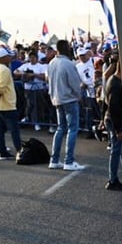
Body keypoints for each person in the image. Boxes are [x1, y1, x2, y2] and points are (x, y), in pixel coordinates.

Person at [47, 39, 86, 171]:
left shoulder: (52, 63)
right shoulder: (68, 64)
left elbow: (49, 82)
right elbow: (75, 84)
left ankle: (54, 159)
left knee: (60, 128)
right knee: (72, 129)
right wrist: (79, 96)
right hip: (69, 99)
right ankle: (69, 160)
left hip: (57, 99)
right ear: (65, 48)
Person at [103, 59, 122, 191]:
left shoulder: (114, 81)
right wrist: (118, 130)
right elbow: (114, 108)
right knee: (117, 150)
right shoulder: (115, 84)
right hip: (116, 121)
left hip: (116, 120)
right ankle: (113, 180)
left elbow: (106, 103)